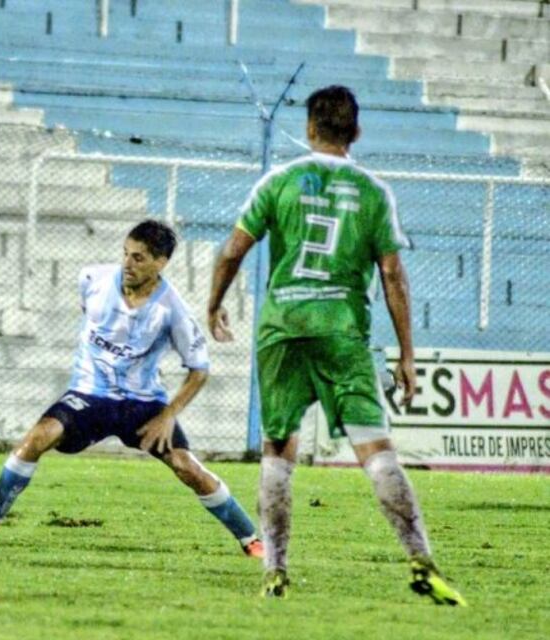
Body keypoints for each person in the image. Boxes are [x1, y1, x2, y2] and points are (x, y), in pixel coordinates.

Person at [206, 85, 466, 604]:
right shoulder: (373, 192)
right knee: (376, 449)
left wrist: (213, 304)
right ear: (357, 131)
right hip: (343, 331)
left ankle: (275, 572)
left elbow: (233, 250)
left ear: (308, 128)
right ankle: (420, 559)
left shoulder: (277, 181)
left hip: (281, 328)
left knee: (279, 450)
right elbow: (393, 274)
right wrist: (408, 355)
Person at [0, 220, 264, 559]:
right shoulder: (92, 280)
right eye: (125, 254)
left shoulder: (172, 310)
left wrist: (168, 416)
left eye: (139, 258)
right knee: (36, 439)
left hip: (142, 405)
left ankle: (251, 540)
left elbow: (199, 370)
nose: (127, 264)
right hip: (89, 394)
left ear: (161, 263)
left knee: (187, 467)